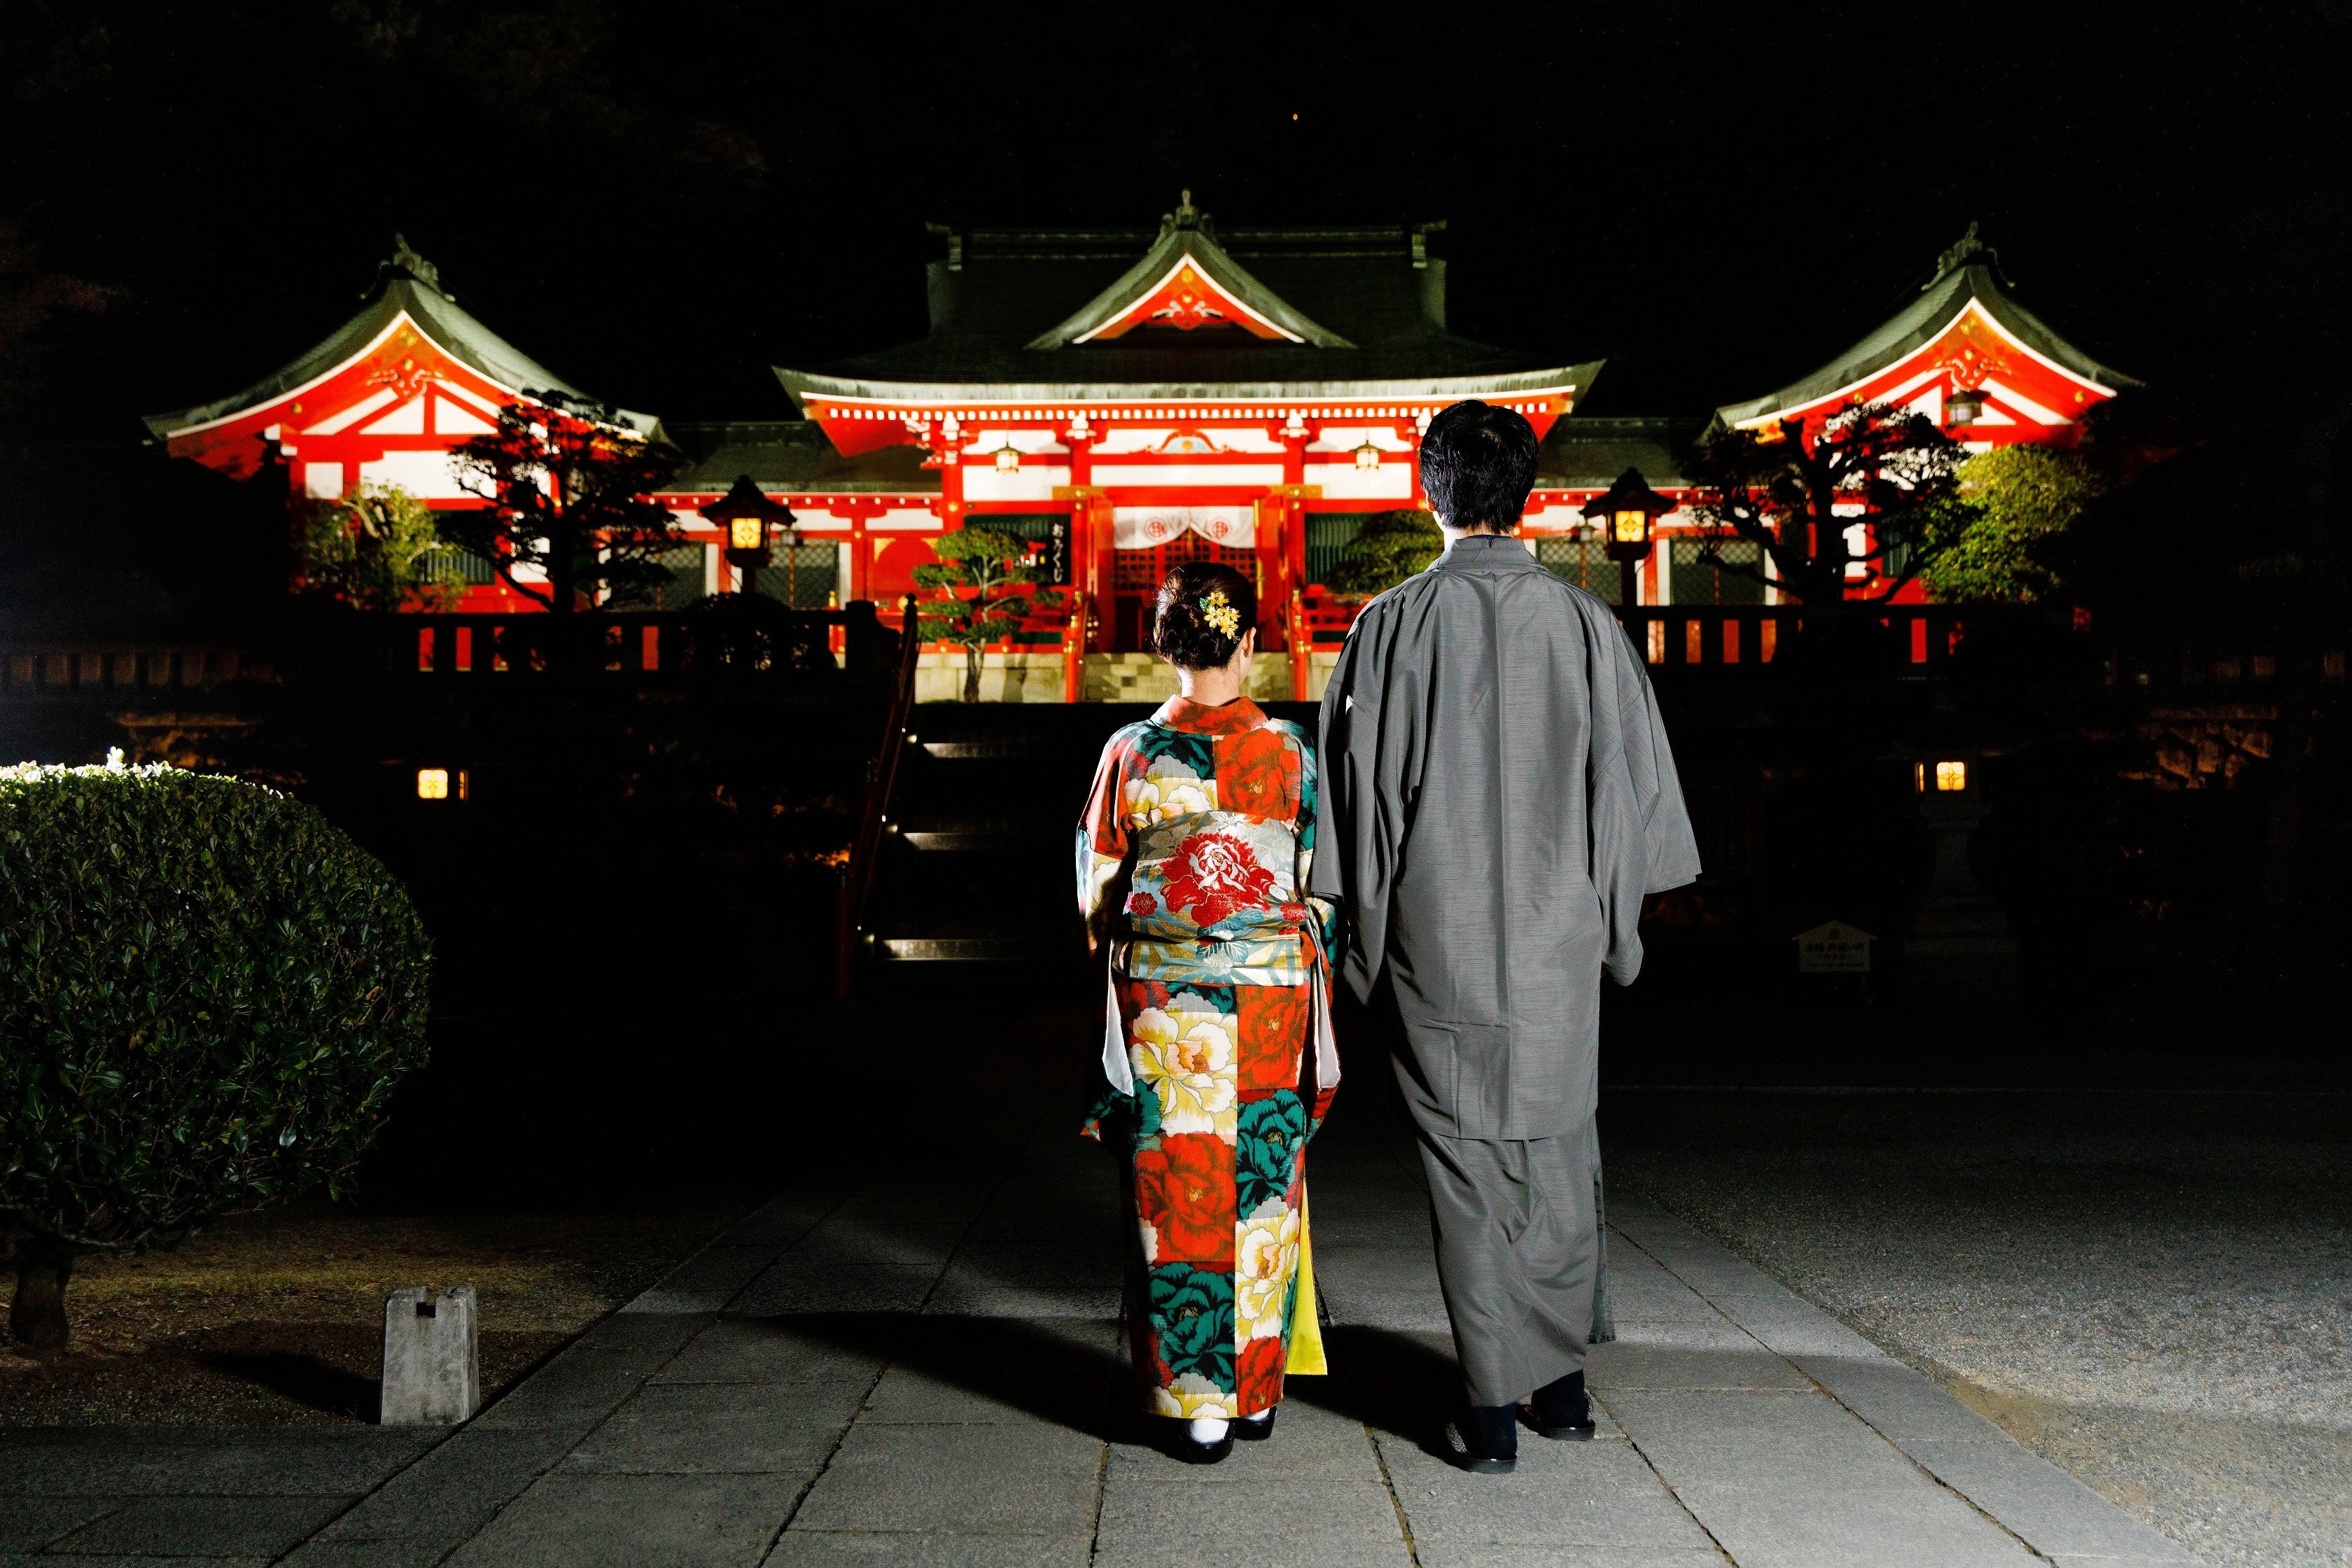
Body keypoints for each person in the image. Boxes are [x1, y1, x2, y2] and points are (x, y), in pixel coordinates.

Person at [1311, 400, 1700, 1474]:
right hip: (1556, 931)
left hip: (1435, 935)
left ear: (1428, 491)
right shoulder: (1583, 624)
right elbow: (1631, 798)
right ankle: (1563, 1392)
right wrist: (1612, 918)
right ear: (1525, 492)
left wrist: (1358, 936)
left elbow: (1360, 804)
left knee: (1467, 1165)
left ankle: (1491, 1416)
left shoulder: (1388, 625)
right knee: (1561, 1147)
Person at [1077, 561, 1339, 1465]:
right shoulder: (1292, 754)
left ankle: (1199, 1408)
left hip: (1164, 1003)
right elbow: (1320, 894)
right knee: (1263, 1188)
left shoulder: (1132, 754)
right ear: (1252, 640)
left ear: (1163, 646)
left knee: (1179, 1191)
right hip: (1271, 996)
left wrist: (1134, 967)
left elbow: (1098, 893)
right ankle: (1256, 1393)